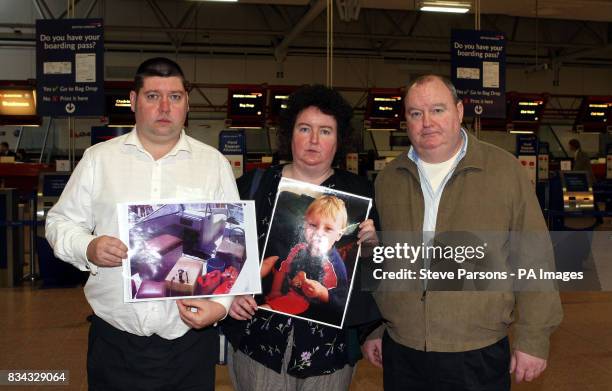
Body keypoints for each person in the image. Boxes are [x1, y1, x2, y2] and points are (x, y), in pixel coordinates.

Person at [45, 57, 239, 391]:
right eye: (153, 96)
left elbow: (232, 244)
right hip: (114, 342)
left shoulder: (213, 165)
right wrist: (88, 246)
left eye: (175, 97)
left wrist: (219, 308)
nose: (165, 106)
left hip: (188, 342)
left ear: (187, 104)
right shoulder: (98, 160)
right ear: (134, 101)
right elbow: (59, 221)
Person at [362, 75, 563, 390]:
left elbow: (535, 256)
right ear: (406, 120)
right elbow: (377, 260)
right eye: (416, 113)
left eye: (437, 110)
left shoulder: (503, 171)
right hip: (403, 350)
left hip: (477, 351)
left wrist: (533, 337)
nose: (427, 122)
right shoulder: (389, 180)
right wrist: (373, 328)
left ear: (459, 111)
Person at [224, 84, 381, 390]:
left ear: (339, 139)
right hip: (258, 343)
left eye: (325, 131)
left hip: (329, 353)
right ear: (289, 134)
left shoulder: (361, 194)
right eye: (304, 128)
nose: (313, 140)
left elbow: (374, 274)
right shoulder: (254, 186)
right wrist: (229, 295)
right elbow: (223, 250)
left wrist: (371, 247)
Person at [265, 195, 349, 323]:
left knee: (265, 309)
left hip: (308, 305)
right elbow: (282, 269)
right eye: (313, 225)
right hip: (288, 289)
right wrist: (275, 291)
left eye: (328, 229)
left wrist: (322, 293)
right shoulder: (299, 248)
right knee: (270, 262)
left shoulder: (336, 266)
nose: (318, 233)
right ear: (304, 225)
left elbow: (341, 302)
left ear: (339, 235)